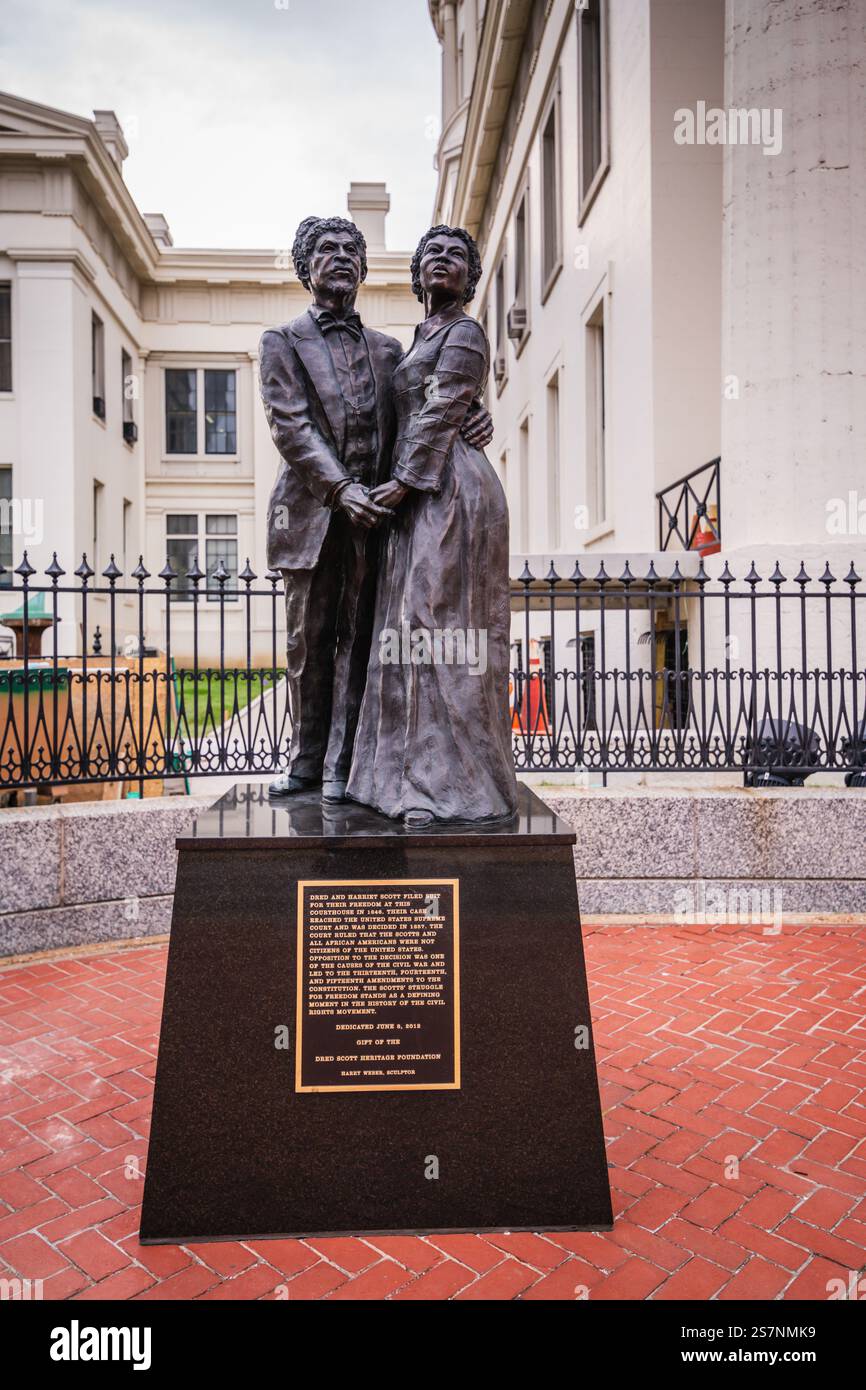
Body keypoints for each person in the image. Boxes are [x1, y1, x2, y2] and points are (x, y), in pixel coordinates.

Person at [259, 215, 493, 802]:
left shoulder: (391, 349)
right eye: (325, 250)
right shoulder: (281, 342)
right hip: (317, 512)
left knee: (361, 643)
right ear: (305, 267)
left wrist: (476, 413)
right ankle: (306, 762)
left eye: (349, 251)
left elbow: (429, 402)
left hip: (384, 520)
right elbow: (292, 426)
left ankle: (346, 767)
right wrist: (341, 490)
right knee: (308, 645)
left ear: (364, 269)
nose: (339, 258)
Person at [346, 225, 519, 826]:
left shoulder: (466, 332)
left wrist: (401, 483)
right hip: (415, 493)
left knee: (438, 623)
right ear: (417, 274)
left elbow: (445, 407)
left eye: (456, 258)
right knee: (406, 629)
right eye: (432, 255)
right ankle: (394, 780)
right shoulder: (416, 338)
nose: (443, 263)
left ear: (471, 279)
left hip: (449, 491)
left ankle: (450, 785)